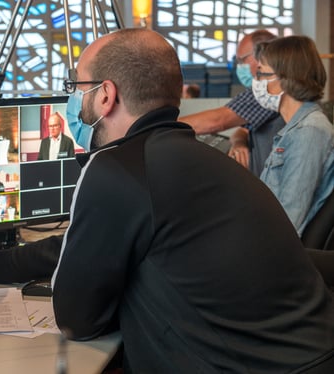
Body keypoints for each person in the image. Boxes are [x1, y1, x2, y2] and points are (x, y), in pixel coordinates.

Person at [50, 28, 334, 372]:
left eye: (78, 87)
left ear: (106, 95)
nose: (74, 100)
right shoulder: (204, 160)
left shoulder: (118, 167)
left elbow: (77, 320)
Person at [253, 35, 334, 236]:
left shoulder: (309, 132)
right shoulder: (294, 129)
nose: (257, 82)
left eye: (261, 72)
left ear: (282, 79)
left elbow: (289, 219)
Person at [180, 30, 285, 176]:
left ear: (263, 55)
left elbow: (218, 121)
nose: (239, 66)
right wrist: (239, 143)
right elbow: (242, 131)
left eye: (242, 60)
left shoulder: (269, 90)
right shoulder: (262, 91)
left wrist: (158, 125)